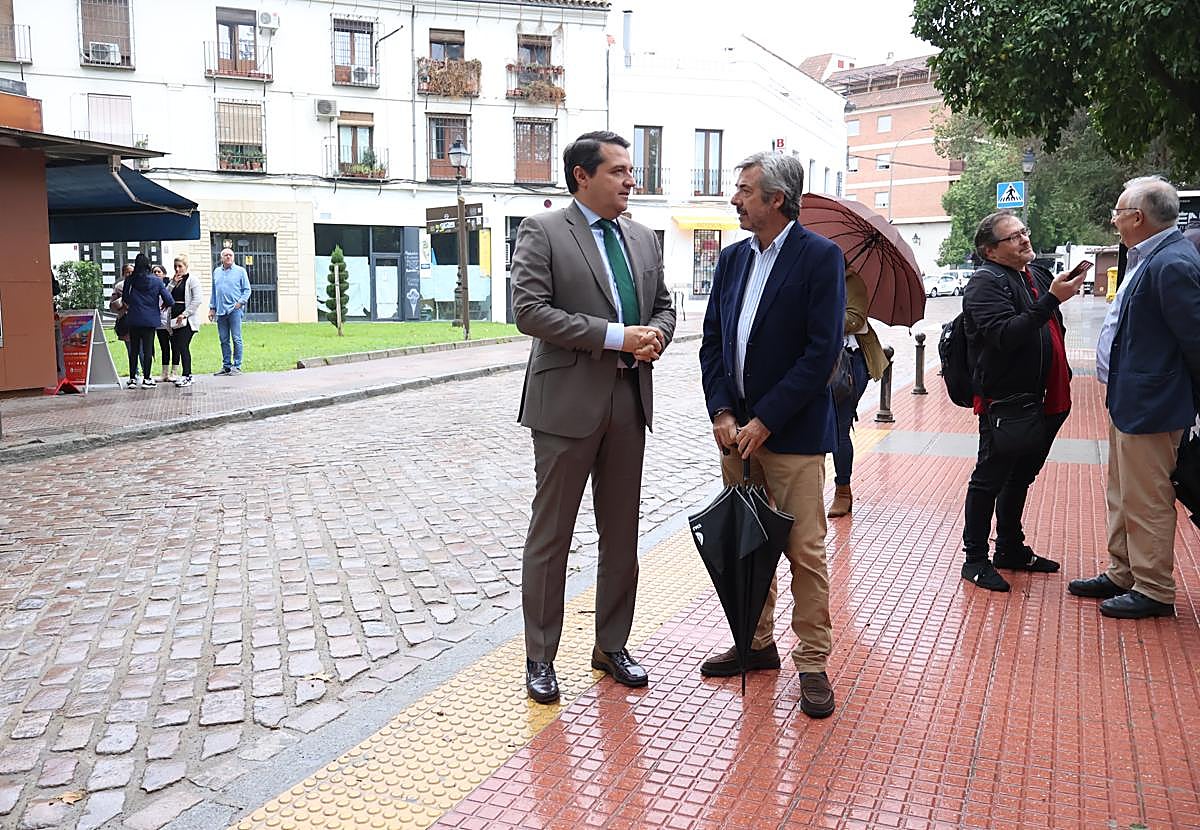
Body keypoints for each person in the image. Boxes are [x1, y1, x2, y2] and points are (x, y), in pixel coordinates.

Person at [511, 130, 676, 704]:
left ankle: (611, 646)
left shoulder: (642, 237)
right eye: (619, 171)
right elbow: (529, 311)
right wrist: (615, 337)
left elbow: (663, 305)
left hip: (629, 401)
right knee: (552, 534)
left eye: (630, 170)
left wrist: (656, 336)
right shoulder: (543, 230)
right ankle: (540, 656)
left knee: (622, 534)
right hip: (565, 406)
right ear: (582, 176)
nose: (631, 180)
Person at [697, 151, 844, 719]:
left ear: (776, 199)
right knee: (746, 544)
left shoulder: (820, 258)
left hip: (792, 435)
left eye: (745, 190)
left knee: (804, 551)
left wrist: (767, 420)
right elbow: (713, 340)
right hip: (736, 436)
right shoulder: (733, 258)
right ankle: (755, 643)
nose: (735, 198)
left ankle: (813, 663)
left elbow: (820, 354)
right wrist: (722, 411)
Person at [1069, 176, 1200, 618]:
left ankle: (1154, 588)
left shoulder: (1171, 263)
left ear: (1138, 217)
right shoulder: (1149, 256)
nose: (1114, 221)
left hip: (1154, 404)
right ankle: (1123, 571)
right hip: (1132, 400)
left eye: (1118, 213)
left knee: (1147, 499)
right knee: (1124, 493)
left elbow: (1195, 340)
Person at [959, 212, 1088, 592]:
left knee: (1020, 477)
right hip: (1009, 403)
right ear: (990, 251)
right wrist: (1051, 300)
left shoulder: (1035, 274)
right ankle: (975, 559)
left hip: (1049, 399)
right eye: (1013, 237)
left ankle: (1010, 548)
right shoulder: (985, 283)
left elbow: (1050, 326)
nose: (1024, 240)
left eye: (1023, 232)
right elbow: (1004, 335)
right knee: (989, 479)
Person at [827, 266, 889, 518]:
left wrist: (818, 317)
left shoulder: (851, 281)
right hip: (814, 359)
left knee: (839, 426)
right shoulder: (807, 276)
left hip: (848, 362)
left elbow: (855, 318)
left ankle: (842, 490)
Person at [122, 253, 175, 388]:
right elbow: (169, 300)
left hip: (134, 318)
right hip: (150, 320)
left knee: (134, 349)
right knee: (147, 349)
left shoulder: (130, 280)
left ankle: (132, 378)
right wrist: (165, 304)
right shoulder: (156, 281)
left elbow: (125, 298)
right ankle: (147, 378)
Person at [209, 248, 251, 375]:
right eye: (226, 255)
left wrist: (240, 302)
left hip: (234, 310)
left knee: (236, 338)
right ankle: (226, 366)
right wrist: (212, 308)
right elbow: (214, 291)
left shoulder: (240, 271)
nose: (228, 257)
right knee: (223, 339)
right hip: (220, 311)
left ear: (233, 257)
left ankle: (237, 366)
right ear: (221, 258)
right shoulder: (216, 272)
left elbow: (247, 290)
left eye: (230, 255)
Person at [168, 254, 204, 388]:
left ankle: (187, 375)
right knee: (177, 346)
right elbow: (165, 295)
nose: (178, 269)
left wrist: (185, 314)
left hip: (187, 320)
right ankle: (185, 374)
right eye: (175, 267)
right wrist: (172, 283)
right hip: (174, 319)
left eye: (180, 266)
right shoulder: (174, 280)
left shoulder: (192, 280)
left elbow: (197, 300)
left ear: (186, 266)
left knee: (183, 345)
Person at [110, 263, 136, 388]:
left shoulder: (139, 285)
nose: (130, 274)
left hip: (138, 321)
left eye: (132, 272)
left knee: (142, 350)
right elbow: (112, 305)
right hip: (126, 321)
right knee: (130, 350)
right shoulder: (119, 287)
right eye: (127, 272)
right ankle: (134, 374)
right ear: (123, 273)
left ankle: (145, 374)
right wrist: (122, 303)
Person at [152, 263, 176, 382]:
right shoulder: (150, 286)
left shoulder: (171, 285)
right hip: (159, 321)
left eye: (159, 272)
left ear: (164, 274)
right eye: (154, 272)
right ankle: (164, 373)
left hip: (171, 320)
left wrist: (172, 283)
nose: (156, 274)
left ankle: (174, 372)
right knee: (164, 347)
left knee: (175, 346)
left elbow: (168, 296)